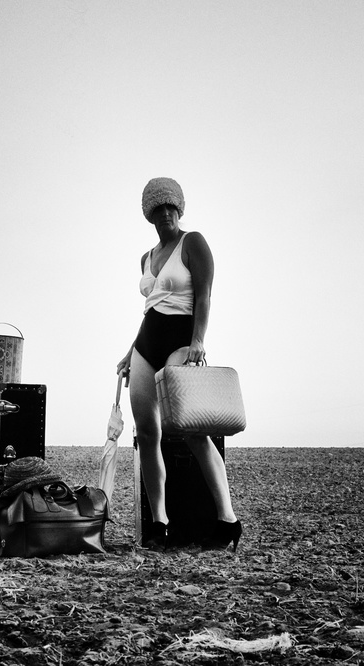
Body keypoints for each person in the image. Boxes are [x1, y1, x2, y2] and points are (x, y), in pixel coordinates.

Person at [115, 177, 242, 551]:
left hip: (182, 342)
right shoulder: (146, 257)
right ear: (150, 214)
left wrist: (198, 340)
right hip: (146, 345)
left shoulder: (194, 242)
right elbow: (151, 307)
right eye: (159, 208)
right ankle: (160, 523)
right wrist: (130, 351)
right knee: (147, 434)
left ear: (180, 208)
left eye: (172, 206)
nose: (166, 213)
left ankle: (228, 520)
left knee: (193, 432)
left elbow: (204, 296)